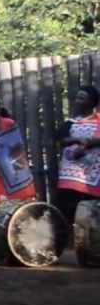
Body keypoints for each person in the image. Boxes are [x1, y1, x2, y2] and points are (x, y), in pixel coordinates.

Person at [55, 85, 100, 225]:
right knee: (67, 208)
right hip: (70, 175)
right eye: (77, 97)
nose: (77, 101)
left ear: (92, 102)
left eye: (82, 98)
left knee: (89, 210)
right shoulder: (70, 123)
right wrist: (77, 139)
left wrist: (86, 144)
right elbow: (61, 140)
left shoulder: (99, 121)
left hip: (91, 176)